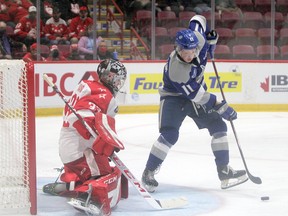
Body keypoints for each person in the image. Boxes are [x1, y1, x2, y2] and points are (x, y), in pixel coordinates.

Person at [141, 15, 248, 192]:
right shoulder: (178, 71)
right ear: (178, 48)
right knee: (170, 134)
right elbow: (198, 96)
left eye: (192, 51)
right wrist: (221, 105)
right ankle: (149, 171)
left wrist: (210, 39)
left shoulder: (196, 39)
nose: (190, 56)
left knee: (218, 126)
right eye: (185, 52)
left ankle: (224, 171)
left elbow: (197, 19)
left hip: (195, 92)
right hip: (174, 98)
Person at [42, 58, 128, 215]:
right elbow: (79, 118)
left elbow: (82, 117)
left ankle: (69, 185)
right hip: (80, 150)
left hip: (70, 149)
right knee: (107, 174)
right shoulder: (104, 95)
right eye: (117, 80)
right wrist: (103, 141)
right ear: (108, 77)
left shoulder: (87, 85)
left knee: (91, 170)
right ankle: (88, 196)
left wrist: (106, 139)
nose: (118, 84)